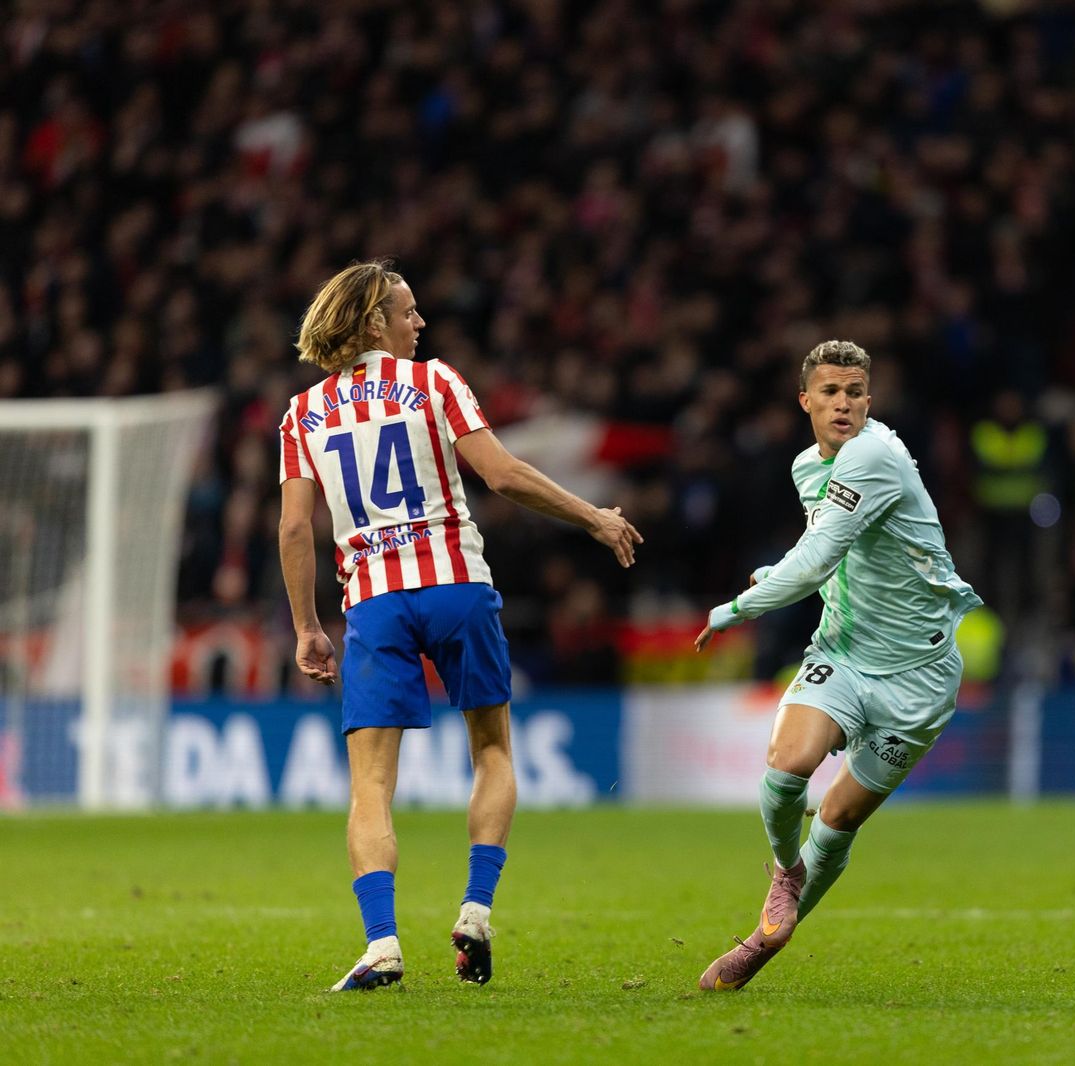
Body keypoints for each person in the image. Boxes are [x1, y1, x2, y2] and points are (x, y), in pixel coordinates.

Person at [277, 260, 641, 991]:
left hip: (373, 601)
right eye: (409, 312)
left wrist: (306, 628)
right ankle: (475, 910)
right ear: (376, 321)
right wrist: (595, 518)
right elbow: (502, 475)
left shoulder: (302, 412)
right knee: (493, 750)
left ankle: (382, 946)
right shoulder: (434, 382)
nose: (421, 324)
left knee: (371, 787)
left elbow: (293, 530)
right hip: (456, 585)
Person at [692, 339, 982, 991]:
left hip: (920, 679)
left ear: (869, 401)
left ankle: (763, 944)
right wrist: (777, 573)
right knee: (789, 763)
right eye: (830, 392)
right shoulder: (805, 468)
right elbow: (826, 547)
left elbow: (820, 556)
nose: (843, 403)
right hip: (844, 653)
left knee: (839, 821)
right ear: (807, 400)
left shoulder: (875, 455)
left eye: (855, 393)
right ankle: (781, 875)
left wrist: (738, 606)